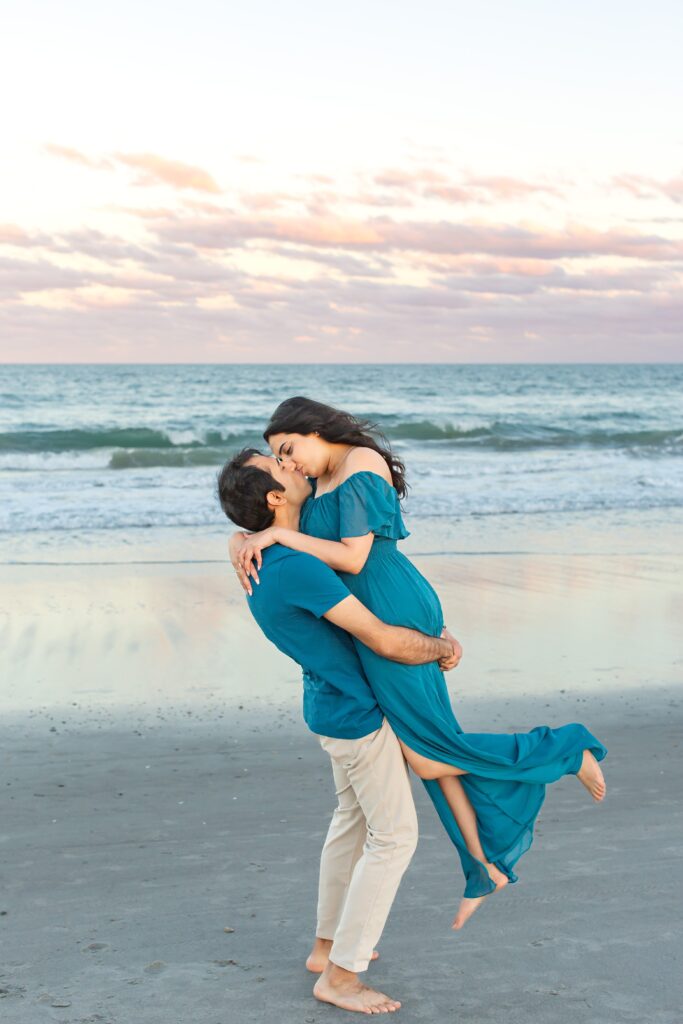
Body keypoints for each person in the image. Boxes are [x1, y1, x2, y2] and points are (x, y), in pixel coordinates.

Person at [230, 397, 608, 930]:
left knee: (432, 754)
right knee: (431, 752)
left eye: (289, 449)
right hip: (370, 613)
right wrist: (243, 534)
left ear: (316, 430)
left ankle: (567, 750)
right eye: (279, 459)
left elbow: (355, 558)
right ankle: (482, 868)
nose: (289, 463)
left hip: (390, 606)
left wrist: (273, 535)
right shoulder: (321, 475)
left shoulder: (360, 465)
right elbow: (274, 506)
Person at [217, 447, 462, 1014]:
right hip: (356, 714)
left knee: (351, 823)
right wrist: (442, 648)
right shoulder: (292, 564)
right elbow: (380, 637)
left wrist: (242, 537)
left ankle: (325, 946)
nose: (296, 466)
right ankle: (342, 974)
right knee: (395, 837)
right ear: (275, 498)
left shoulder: (264, 554)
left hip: (329, 706)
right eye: (281, 467)